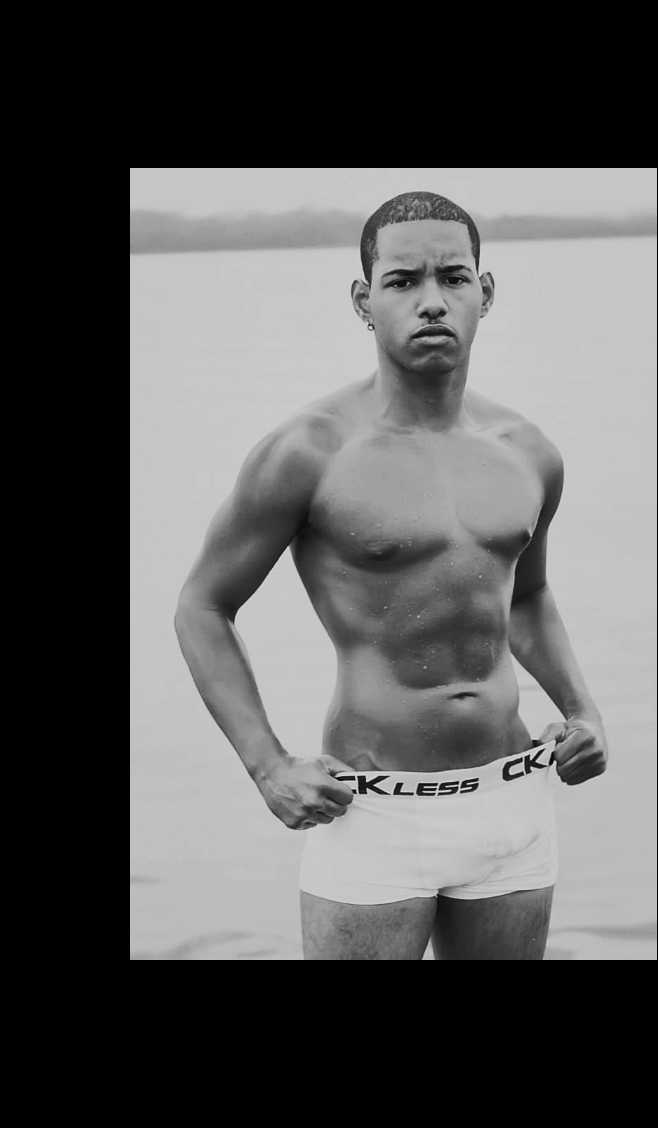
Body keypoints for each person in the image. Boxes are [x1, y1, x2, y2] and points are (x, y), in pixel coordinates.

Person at [174, 191, 607, 961]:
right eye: (403, 281)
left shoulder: (527, 452)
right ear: (363, 301)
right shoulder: (309, 451)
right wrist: (267, 765)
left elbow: (528, 597)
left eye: (453, 277)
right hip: (374, 812)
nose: (431, 301)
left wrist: (583, 711)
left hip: (513, 801)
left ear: (485, 292)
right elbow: (203, 606)